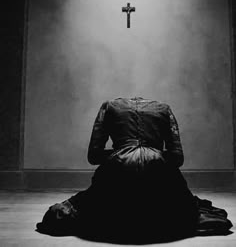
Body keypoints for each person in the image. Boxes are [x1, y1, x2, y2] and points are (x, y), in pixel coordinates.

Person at [37, 97, 233, 243]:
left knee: (71, 212)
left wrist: (122, 152)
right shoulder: (164, 109)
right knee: (191, 210)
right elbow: (177, 158)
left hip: (117, 170)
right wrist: (152, 153)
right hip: (160, 172)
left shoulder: (108, 106)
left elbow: (93, 156)